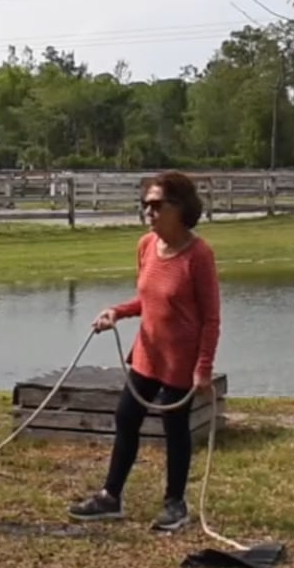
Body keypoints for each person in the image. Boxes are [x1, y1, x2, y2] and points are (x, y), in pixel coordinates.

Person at [68, 171, 221, 532]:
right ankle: (111, 496)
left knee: (175, 428)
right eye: (145, 205)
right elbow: (149, 299)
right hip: (146, 354)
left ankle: (175, 504)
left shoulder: (199, 255)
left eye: (156, 205)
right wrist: (117, 312)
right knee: (126, 418)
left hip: (181, 363)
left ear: (179, 207)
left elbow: (211, 318)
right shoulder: (145, 246)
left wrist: (203, 368)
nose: (148, 212)